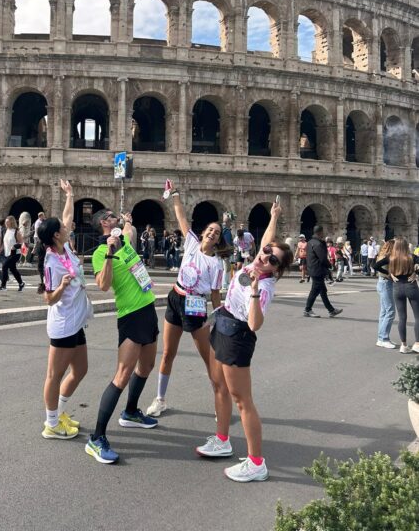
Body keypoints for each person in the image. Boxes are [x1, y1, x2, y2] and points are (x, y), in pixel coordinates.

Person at [196, 200, 293, 482]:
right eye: (265, 253)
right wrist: (274, 215)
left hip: (238, 336)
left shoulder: (264, 285)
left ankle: (256, 462)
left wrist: (252, 291)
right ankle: (223, 439)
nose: (265, 258)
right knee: (219, 387)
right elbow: (266, 240)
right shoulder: (256, 262)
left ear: (277, 270)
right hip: (223, 325)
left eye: (272, 260)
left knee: (242, 400)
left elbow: (254, 324)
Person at [85, 208, 159, 464]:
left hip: (148, 308)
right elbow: (103, 285)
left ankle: (130, 413)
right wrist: (108, 252)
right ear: (104, 223)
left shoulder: (126, 240)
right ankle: (97, 438)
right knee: (122, 376)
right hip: (130, 315)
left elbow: (128, 229)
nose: (116, 216)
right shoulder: (98, 253)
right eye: (112, 215)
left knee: (147, 366)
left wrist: (127, 222)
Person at [146, 181, 224, 418]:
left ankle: (220, 400)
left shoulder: (217, 263)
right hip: (176, 296)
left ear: (218, 240)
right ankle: (160, 399)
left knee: (207, 356)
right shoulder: (190, 241)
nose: (212, 233)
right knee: (168, 353)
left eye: (217, 233)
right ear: (203, 233)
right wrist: (176, 196)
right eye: (210, 230)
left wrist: (217, 316)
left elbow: (214, 294)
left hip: (197, 304)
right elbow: (180, 216)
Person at [38, 180, 91, 440]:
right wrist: (61, 286)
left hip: (76, 320)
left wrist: (70, 194)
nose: (66, 226)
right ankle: (51, 424)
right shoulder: (51, 261)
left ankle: (58, 412)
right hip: (63, 324)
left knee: (81, 370)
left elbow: (68, 217)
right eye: (62, 228)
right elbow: (49, 298)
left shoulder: (65, 247)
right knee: (54, 375)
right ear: (56, 235)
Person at [373, 237, 419, 354]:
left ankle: (403, 345)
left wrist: (389, 273)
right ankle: (417, 344)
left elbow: (375, 266)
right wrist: (415, 273)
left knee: (402, 318)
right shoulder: (412, 257)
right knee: (417, 317)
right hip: (411, 287)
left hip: (397, 288)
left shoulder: (390, 257)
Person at [303, 226, 343, 318]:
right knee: (315, 290)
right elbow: (322, 258)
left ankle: (331, 310)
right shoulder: (318, 243)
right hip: (318, 269)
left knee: (322, 291)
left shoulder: (310, 242)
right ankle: (307, 309)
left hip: (312, 268)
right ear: (320, 232)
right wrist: (330, 266)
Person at [372, 239, 396, 349]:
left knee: (384, 311)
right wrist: (388, 274)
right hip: (386, 283)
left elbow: (374, 264)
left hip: (381, 282)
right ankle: (384, 338)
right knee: (390, 311)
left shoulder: (381, 254)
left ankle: (381, 338)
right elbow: (375, 266)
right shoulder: (389, 256)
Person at [0, 216, 25, 292]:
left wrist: (15, 246)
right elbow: (4, 243)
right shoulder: (6, 231)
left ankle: (3, 286)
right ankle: (21, 283)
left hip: (15, 253)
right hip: (7, 253)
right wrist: (0, 250)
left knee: (4, 267)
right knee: (13, 269)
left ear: (12, 222)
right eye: (5, 222)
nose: (6, 223)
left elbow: (22, 243)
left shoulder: (16, 232)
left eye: (7, 222)